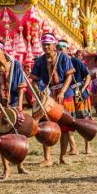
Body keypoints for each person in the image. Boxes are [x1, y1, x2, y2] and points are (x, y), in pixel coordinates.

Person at [30, 33, 75, 165]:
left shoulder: (64, 57)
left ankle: (63, 157)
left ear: (54, 45)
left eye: (48, 44)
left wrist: (62, 92)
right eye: (43, 44)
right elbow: (34, 80)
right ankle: (47, 158)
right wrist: (38, 90)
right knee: (45, 126)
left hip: (65, 95)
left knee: (65, 126)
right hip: (48, 95)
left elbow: (69, 77)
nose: (45, 47)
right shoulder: (40, 61)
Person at [0, 40, 28, 180]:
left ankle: (20, 165)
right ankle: (6, 169)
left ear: (3, 51)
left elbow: (22, 86)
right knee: (2, 138)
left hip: (15, 103)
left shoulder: (16, 65)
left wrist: (20, 106)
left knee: (18, 135)